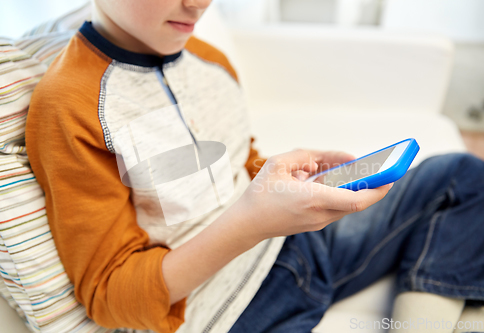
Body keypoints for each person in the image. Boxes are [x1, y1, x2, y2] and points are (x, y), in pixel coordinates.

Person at [25, 0, 484, 332]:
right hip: (232, 312)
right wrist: (251, 222)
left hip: (298, 246)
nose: (199, 3)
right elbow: (110, 297)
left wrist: (285, 177)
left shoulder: (210, 60)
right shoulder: (70, 106)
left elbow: (239, 163)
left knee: (462, 175)